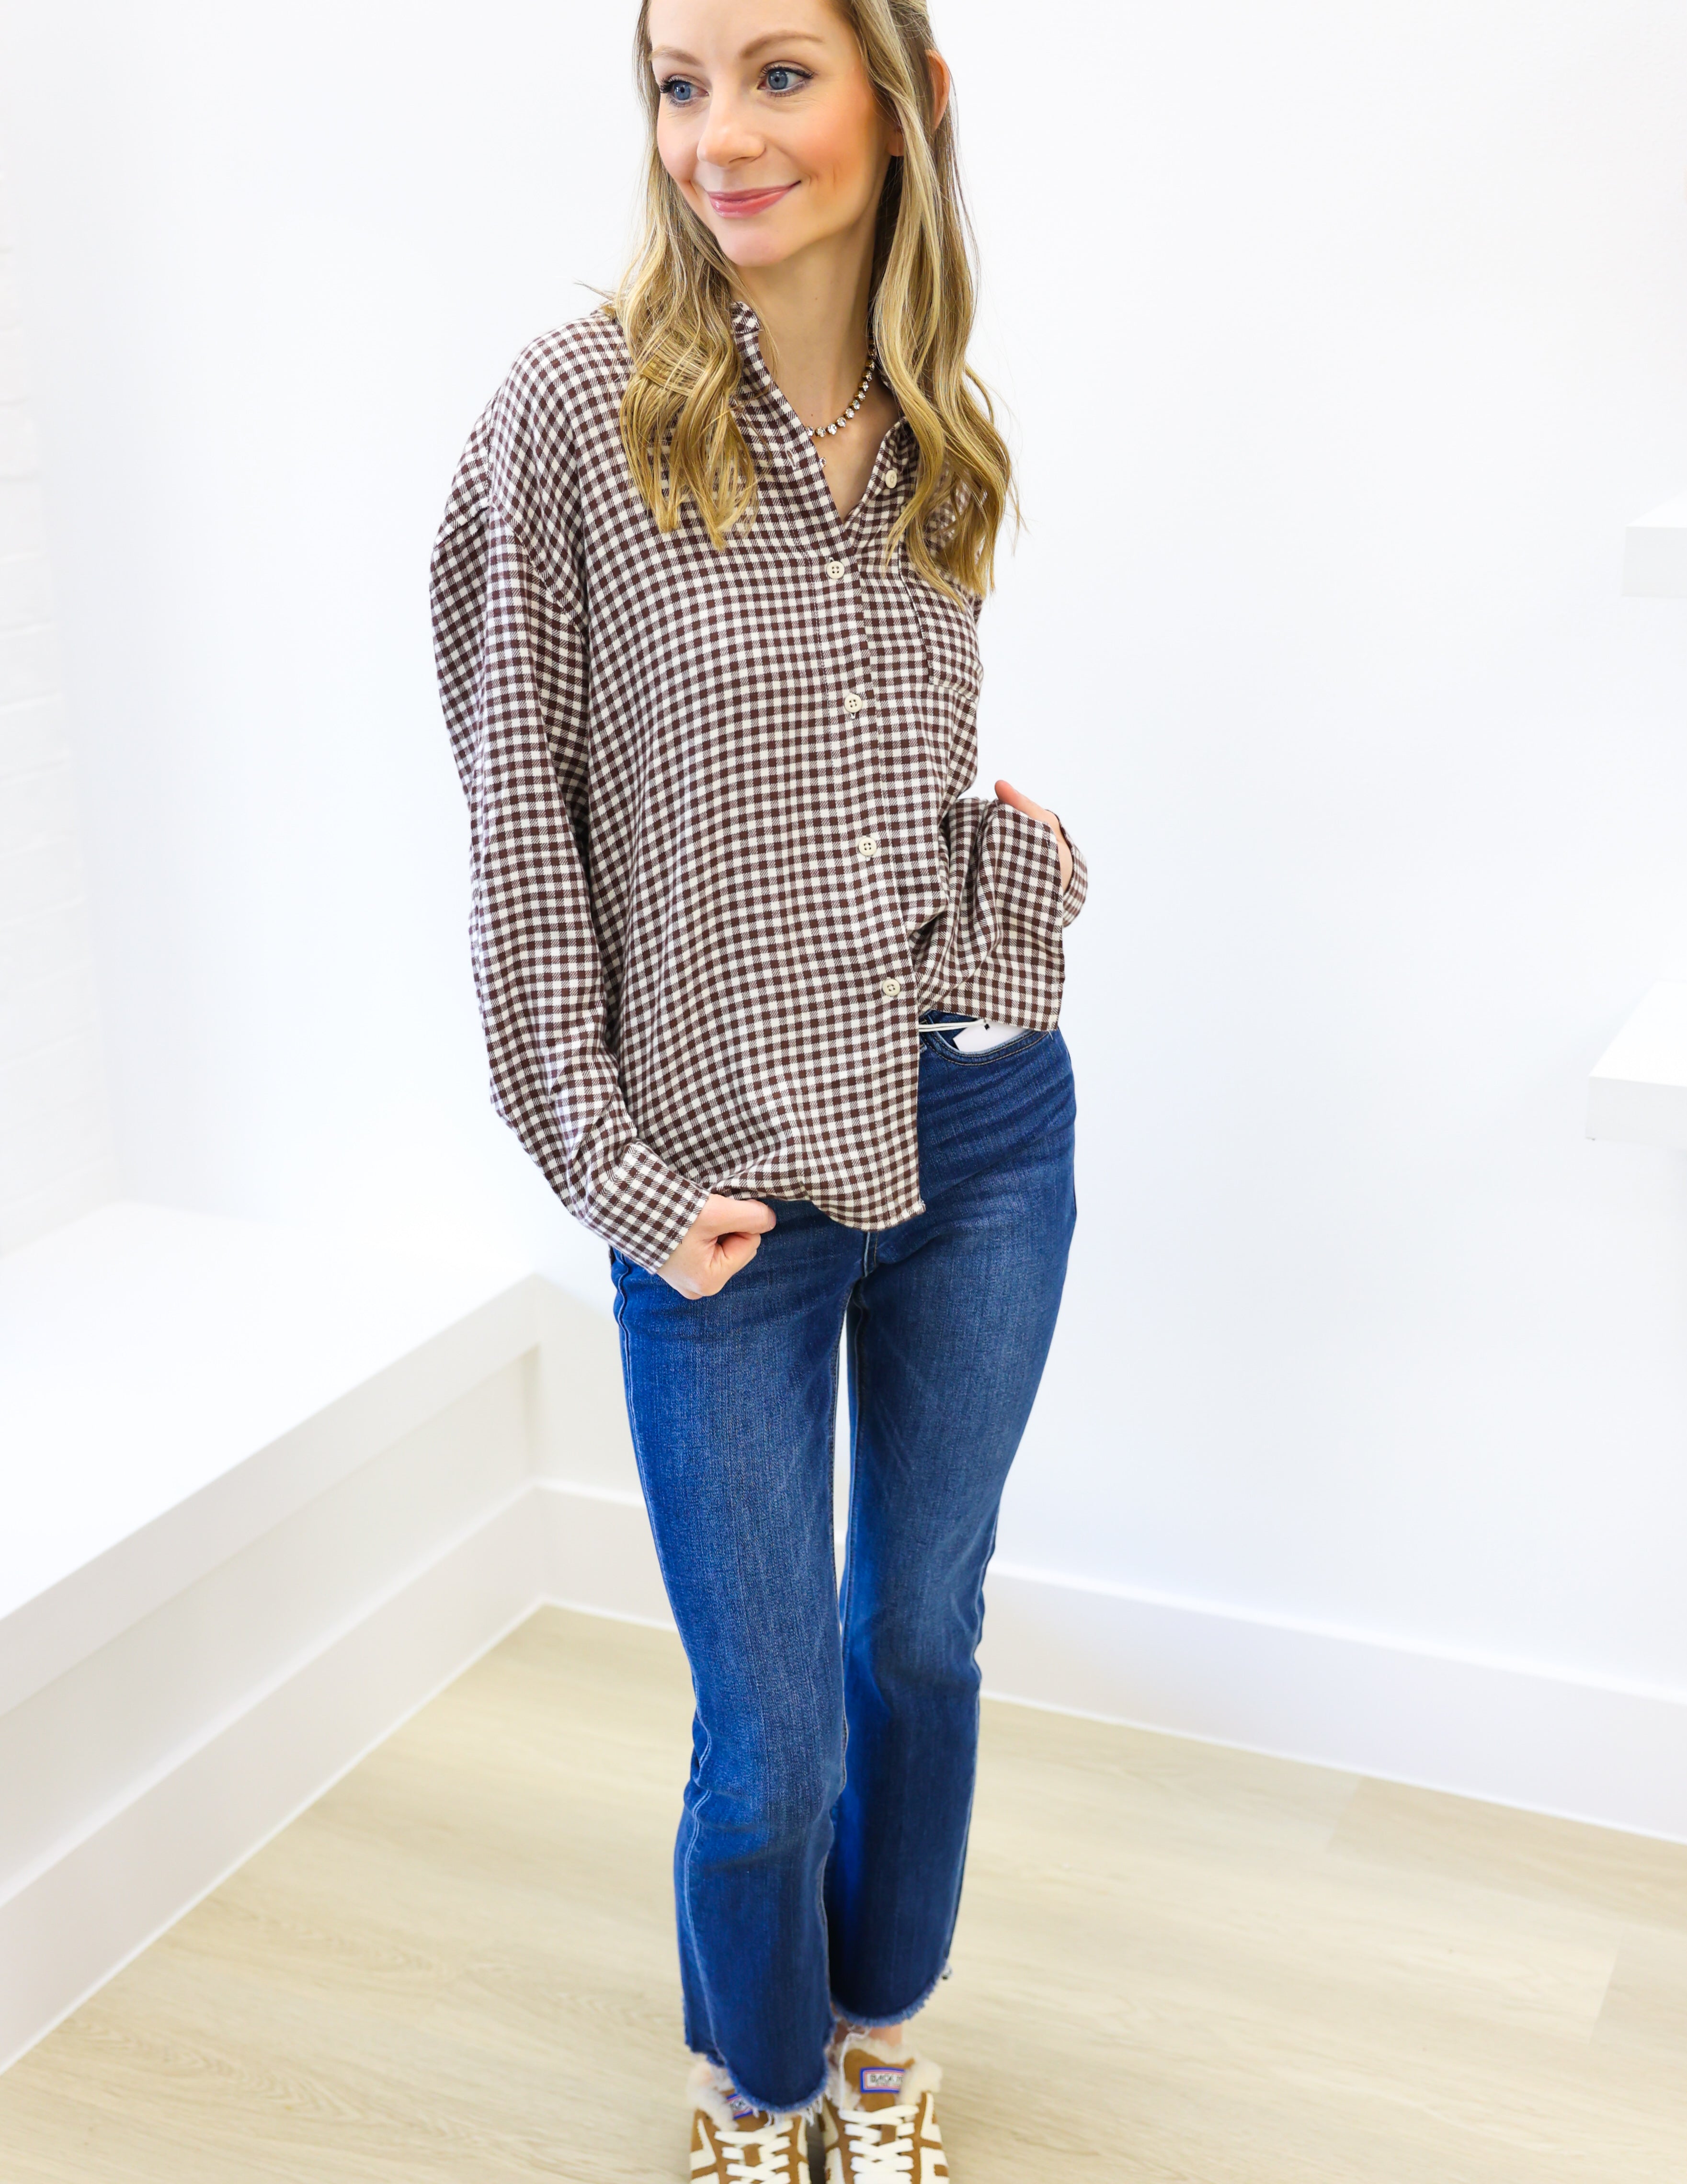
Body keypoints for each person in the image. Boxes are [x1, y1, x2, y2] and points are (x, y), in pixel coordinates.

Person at [431, 1, 1086, 2173]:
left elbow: (915, 804)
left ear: (906, 101)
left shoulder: (939, 424)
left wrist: (1022, 911)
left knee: (919, 1639)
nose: (718, 132)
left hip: (978, 1139)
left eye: (776, 71)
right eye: (679, 79)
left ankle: (884, 2043)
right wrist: (604, 1160)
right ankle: (762, 2088)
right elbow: (525, 829)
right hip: (715, 1169)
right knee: (772, 1739)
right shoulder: (570, 422)